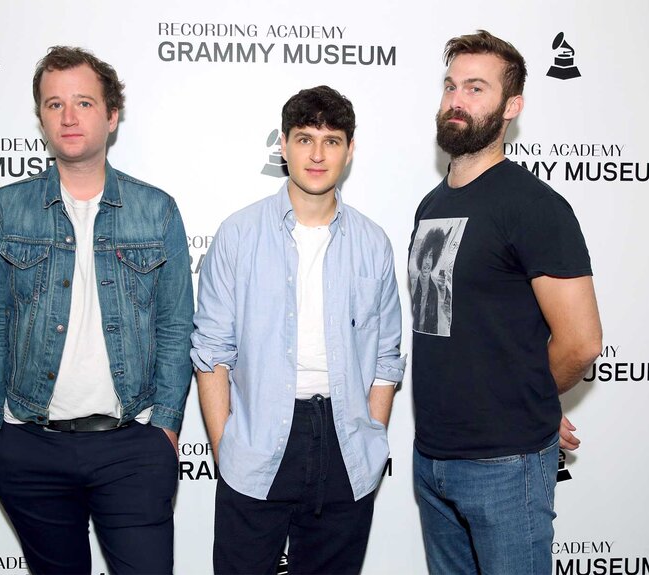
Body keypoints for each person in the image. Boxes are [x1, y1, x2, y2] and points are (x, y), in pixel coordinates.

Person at [0, 46, 193, 574]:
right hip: (30, 445)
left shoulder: (157, 211)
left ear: (111, 116)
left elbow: (177, 324)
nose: (69, 116)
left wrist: (165, 424)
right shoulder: (3, 209)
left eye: (84, 103)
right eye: (55, 104)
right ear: (41, 118)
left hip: (132, 445)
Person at [410, 30, 602, 574]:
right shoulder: (432, 203)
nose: (456, 100)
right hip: (432, 458)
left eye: (476, 88)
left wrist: (531, 407)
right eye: (451, 86)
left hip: (504, 465)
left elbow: (583, 340)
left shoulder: (534, 206)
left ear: (511, 107)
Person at [192, 85, 405, 575]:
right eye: (304, 138)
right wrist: (227, 450)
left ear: (349, 151)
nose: (316, 153)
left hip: (345, 443)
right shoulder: (238, 235)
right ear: (283, 145)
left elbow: (386, 360)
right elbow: (211, 353)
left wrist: (369, 436)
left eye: (331, 141)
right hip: (259, 436)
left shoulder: (373, 244)